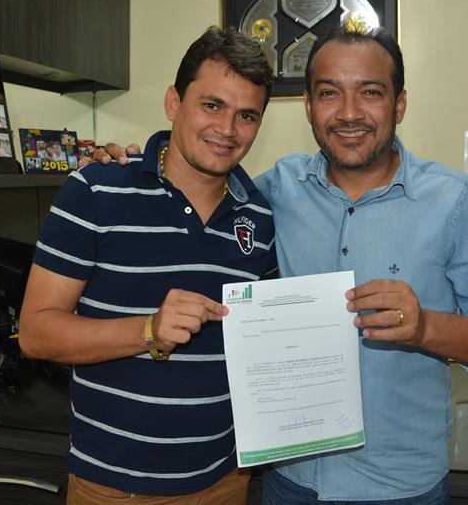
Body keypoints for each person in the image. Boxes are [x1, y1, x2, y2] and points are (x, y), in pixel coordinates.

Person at [93, 24, 468, 504]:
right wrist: (131, 162)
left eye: (370, 92)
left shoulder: (454, 202)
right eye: (329, 93)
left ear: (400, 104)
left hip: (401, 487)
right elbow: (195, 182)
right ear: (307, 105)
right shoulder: (270, 193)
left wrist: (426, 327)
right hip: (289, 481)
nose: (349, 113)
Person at [19, 26, 277, 504]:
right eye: (212, 105)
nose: (227, 129)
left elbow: (264, 345)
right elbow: (35, 333)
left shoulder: (259, 215)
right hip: (116, 487)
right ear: (174, 103)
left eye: (247, 115)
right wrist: (148, 331)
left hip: (224, 481)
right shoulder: (95, 189)